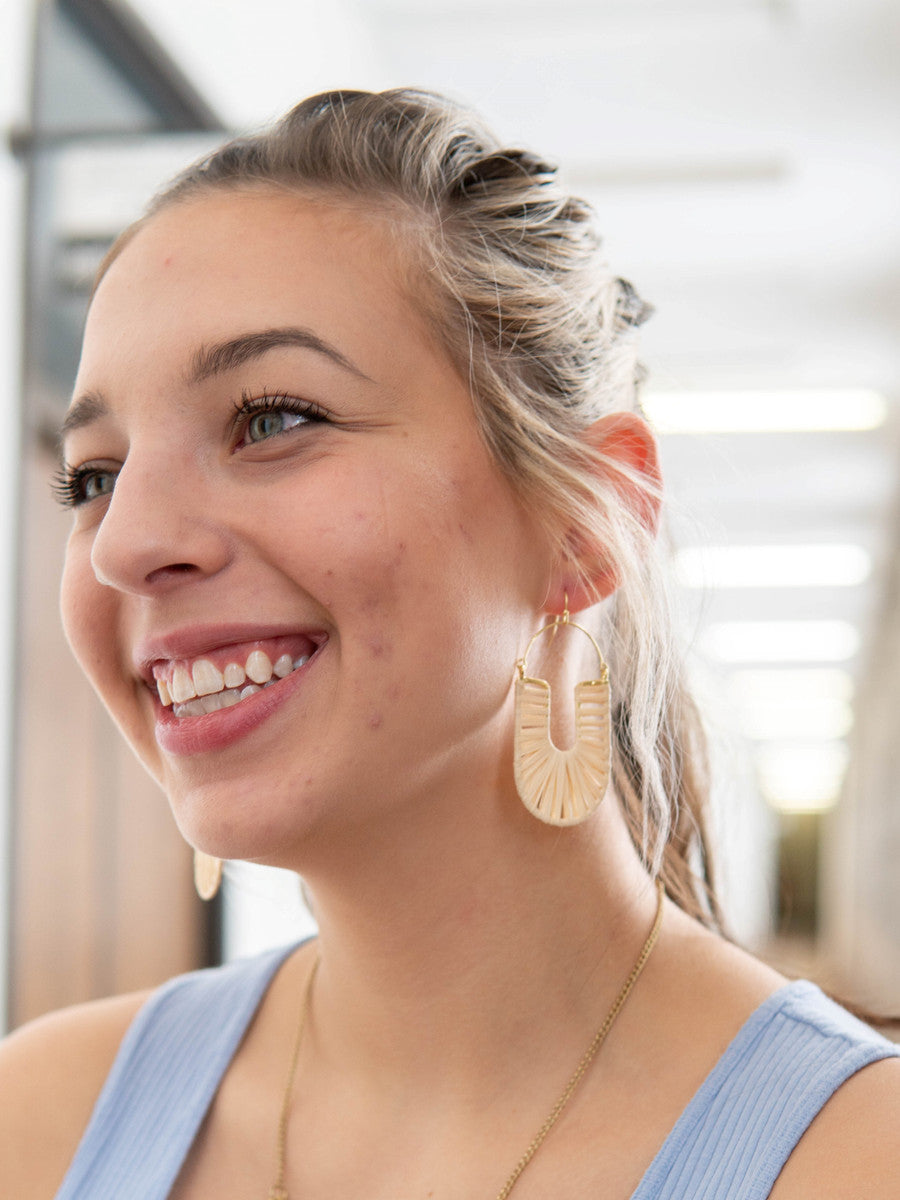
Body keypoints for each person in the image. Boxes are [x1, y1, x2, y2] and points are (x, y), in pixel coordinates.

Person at [0, 88, 897, 1199]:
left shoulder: (858, 1161)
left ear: (583, 527)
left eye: (274, 420)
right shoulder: (40, 1121)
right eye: (94, 475)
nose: (123, 542)